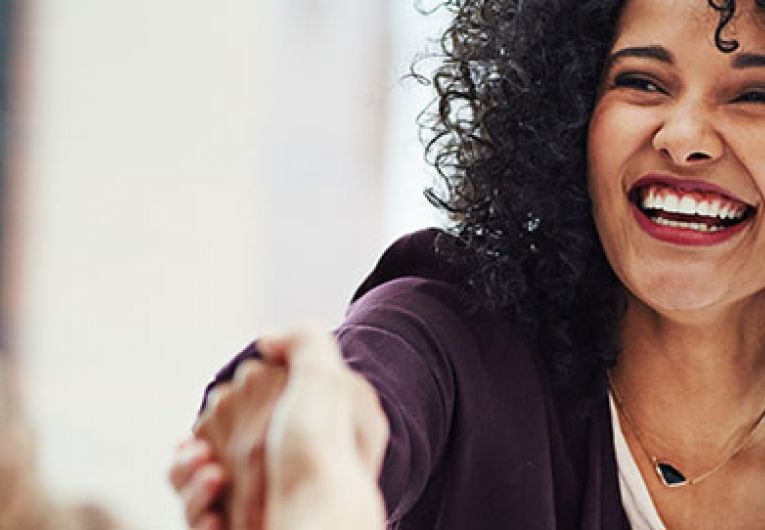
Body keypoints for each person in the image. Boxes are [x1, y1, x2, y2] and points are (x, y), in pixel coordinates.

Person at [170, 0, 765, 528]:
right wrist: (305, 446)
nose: (684, 137)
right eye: (642, 82)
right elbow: (361, 393)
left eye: (754, 95)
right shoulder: (458, 325)